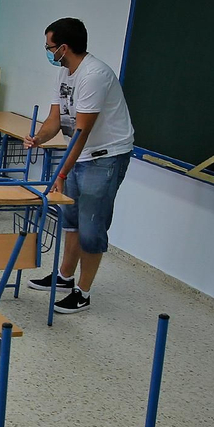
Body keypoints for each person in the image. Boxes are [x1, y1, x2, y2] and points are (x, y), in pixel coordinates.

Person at [24, 17, 134, 314]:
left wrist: (62, 171)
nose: (47, 52)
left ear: (63, 47)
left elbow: (82, 132)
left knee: (91, 227)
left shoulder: (94, 75)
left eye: (49, 47)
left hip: (105, 157)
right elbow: (55, 120)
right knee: (70, 220)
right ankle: (64, 277)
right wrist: (38, 138)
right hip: (81, 154)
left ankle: (82, 293)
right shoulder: (65, 73)